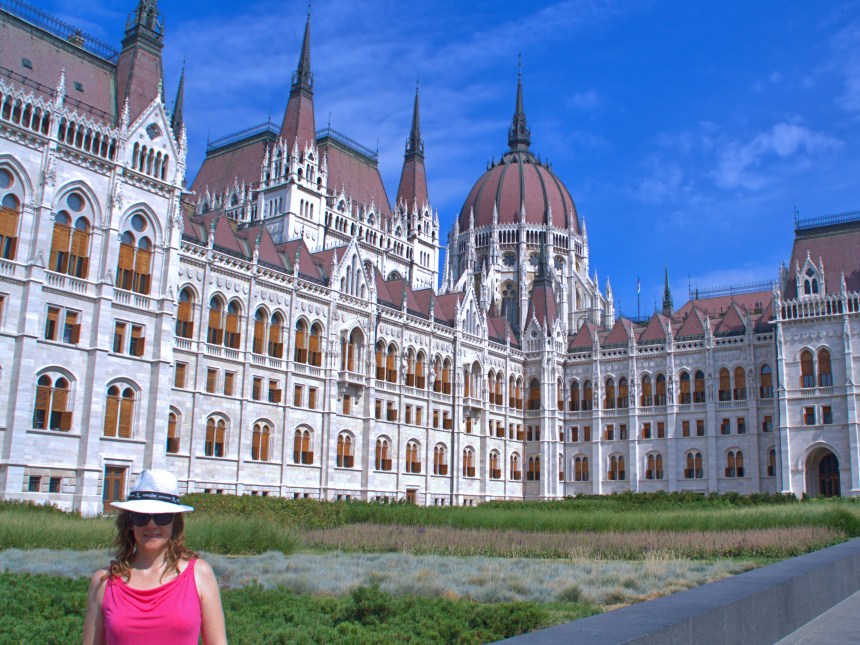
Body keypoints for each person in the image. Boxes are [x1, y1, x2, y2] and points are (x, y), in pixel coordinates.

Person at [82, 469, 228, 645]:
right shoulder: (103, 583)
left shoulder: (200, 575)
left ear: (175, 521)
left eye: (162, 517)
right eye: (141, 517)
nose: (151, 525)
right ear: (130, 522)